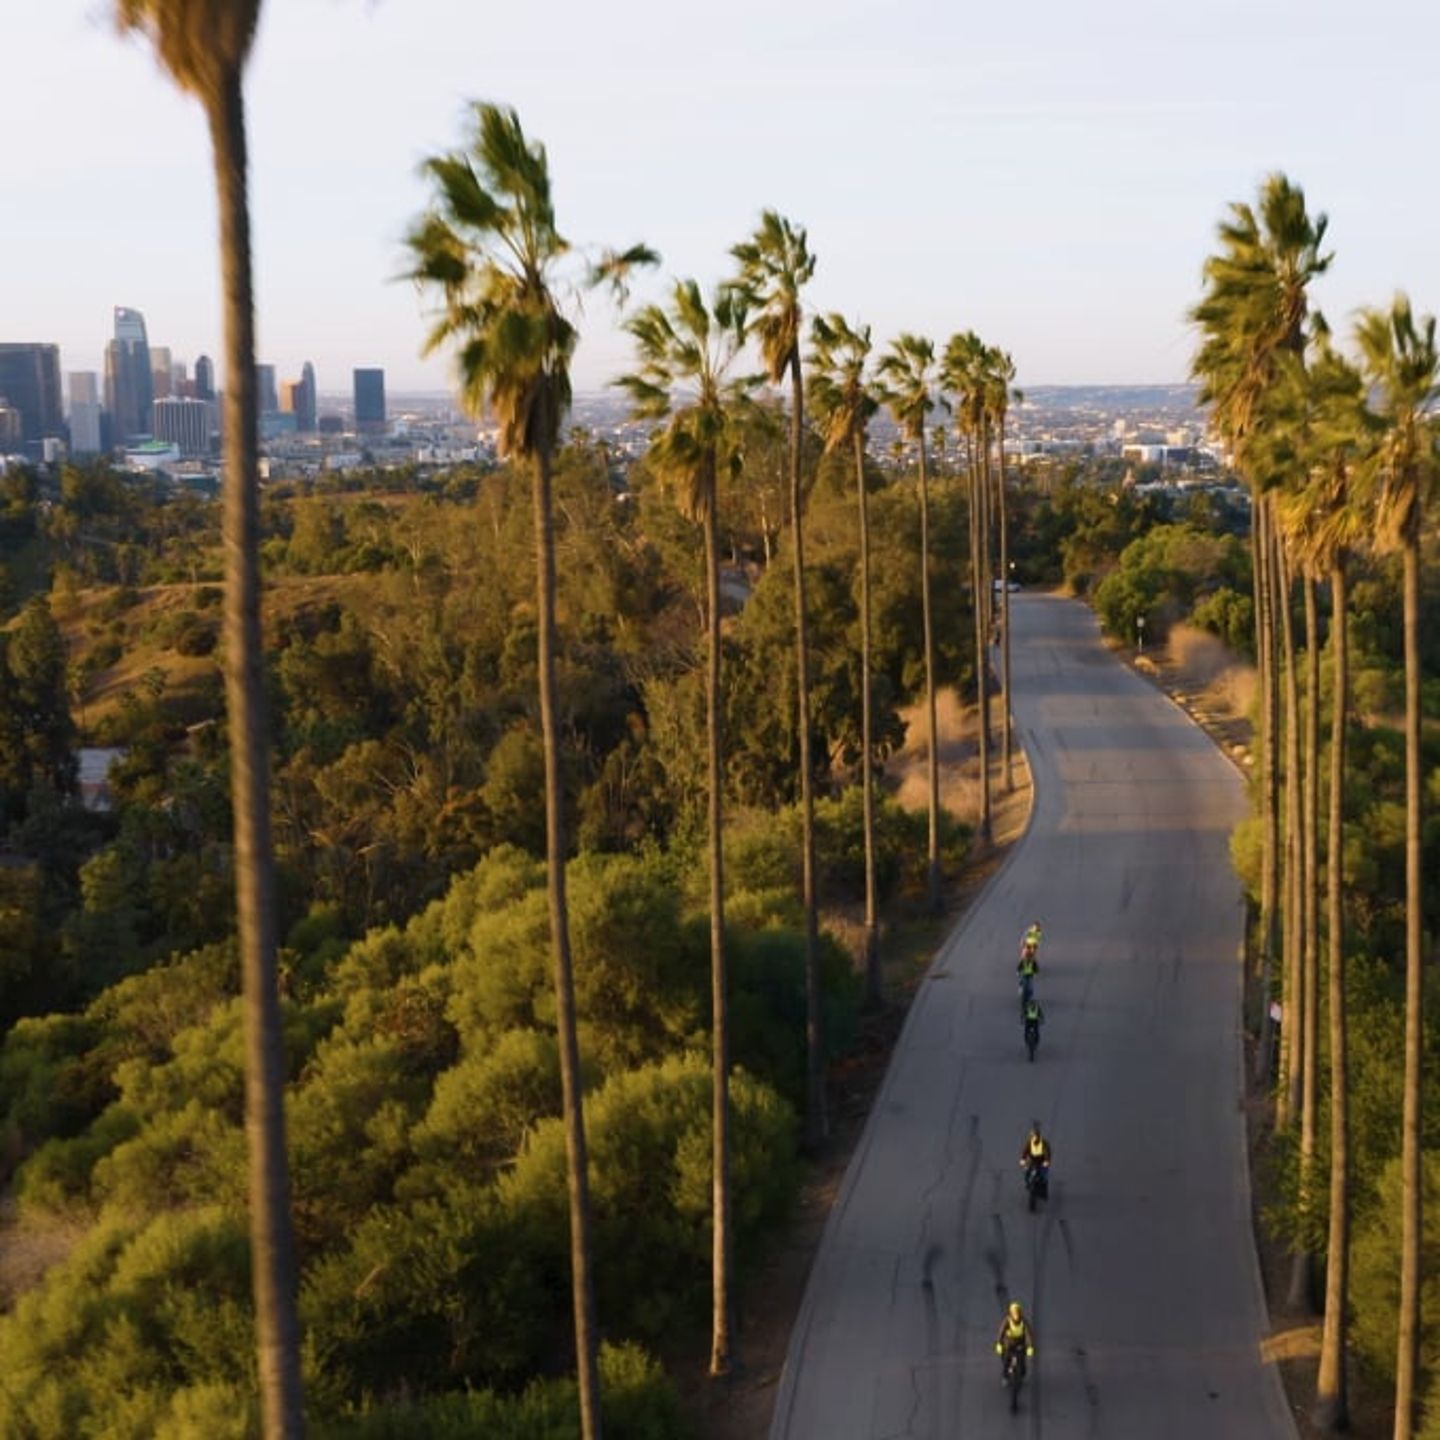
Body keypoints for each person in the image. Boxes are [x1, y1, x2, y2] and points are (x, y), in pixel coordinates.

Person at [995, 1300, 1037, 1376]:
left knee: (1022, 1360)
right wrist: (999, 1343)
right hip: (1009, 1343)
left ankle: (1022, 1374)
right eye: (1014, 1313)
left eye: (1017, 1313)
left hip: (1020, 1342)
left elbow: (1028, 1334)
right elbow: (1001, 1332)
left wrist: (1030, 1346)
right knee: (1006, 1360)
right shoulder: (1007, 1321)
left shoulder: (1023, 1322)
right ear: (1011, 1314)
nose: (1016, 1315)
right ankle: (1005, 1376)